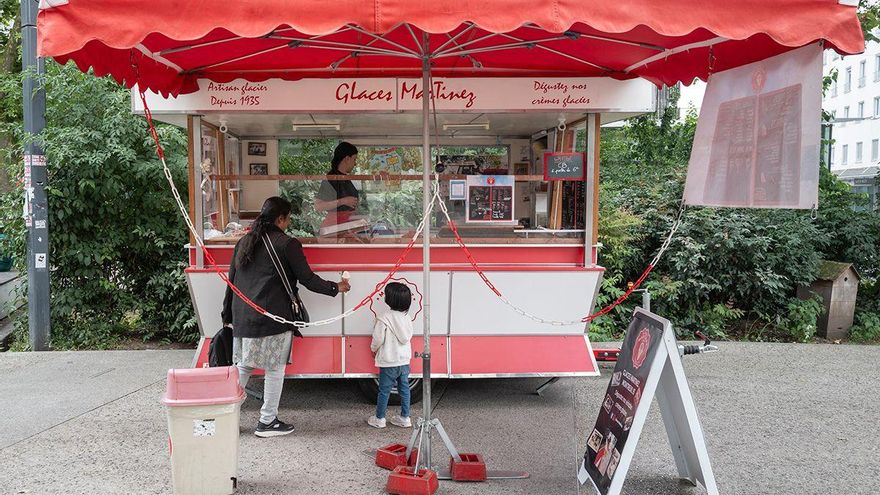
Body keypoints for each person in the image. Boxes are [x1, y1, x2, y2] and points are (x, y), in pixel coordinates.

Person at [221, 196, 351, 438]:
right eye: (288, 218)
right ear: (281, 218)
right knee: (274, 369)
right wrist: (337, 287)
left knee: (243, 366)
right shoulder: (287, 243)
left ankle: (227, 420)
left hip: (243, 315)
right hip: (273, 317)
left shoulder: (244, 241)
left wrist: (227, 314)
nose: (289, 222)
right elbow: (308, 279)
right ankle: (267, 422)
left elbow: (232, 282)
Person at [367, 282, 414, 428]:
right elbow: (407, 337)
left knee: (384, 391)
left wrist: (373, 349)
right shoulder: (407, 318)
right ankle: (405, 417)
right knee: (404, 389)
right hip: (404, 361)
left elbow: (378, 339)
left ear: (389, 299)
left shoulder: (384, 318)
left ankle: (380, 418)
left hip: (389, 361)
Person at [314, 141, 360, 231]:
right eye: (354, 159)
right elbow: (318, 206)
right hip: (335, 227)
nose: (355, 164)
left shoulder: (344, 178)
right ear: (347, 158)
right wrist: (342, 201)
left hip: (347, 225)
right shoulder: (331, 179)